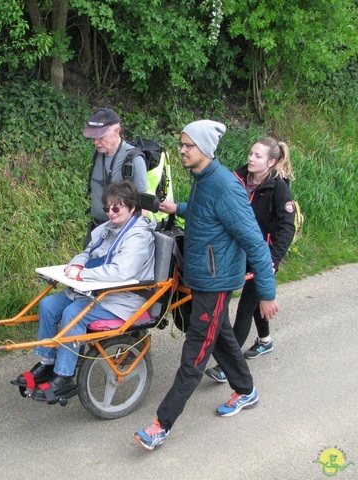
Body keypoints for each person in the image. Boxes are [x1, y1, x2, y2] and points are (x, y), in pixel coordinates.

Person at [133, 120, 279, 451]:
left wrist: (267, 294)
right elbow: (204, 213)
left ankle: (162, 424)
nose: (182, 150)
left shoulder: (225, 185)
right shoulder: (203, 180)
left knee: (196, 351)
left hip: (216, 281)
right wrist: (176, 208)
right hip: (201, 276)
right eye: (181, 144)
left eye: (188, 145)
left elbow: (255, 241)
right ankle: (246, 389)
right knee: (220, 335)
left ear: (205, 150)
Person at [15, 181, 156, 399]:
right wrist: (77, 264)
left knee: (73, 314)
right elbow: (88, 252)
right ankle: (47, 362)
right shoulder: (107, 229)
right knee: (49, 305)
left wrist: (82, 275)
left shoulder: (139, 236)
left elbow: (121, 272)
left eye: (116, 208)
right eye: (107, 208)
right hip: (97, 290)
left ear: (131, 207)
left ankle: (63, 376)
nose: (110, 213)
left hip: (123, 297)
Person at [205, 137, 295, 383]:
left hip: (262, 256)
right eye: (251, 153)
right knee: (254, 303)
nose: (251, 158)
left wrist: (272, 261)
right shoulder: (238, 178)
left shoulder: (279, 188)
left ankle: (228, 366)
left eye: (257, 156)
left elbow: (287, 228)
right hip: (237, 252)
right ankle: (264, 341)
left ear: (271, 162)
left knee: (245, 307)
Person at [83, 108, 149, 246]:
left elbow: (144, 204)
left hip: (121, 234)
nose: (96, 142)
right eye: (94, 137)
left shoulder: (133, 160)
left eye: (101, 137)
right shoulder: (97, 154)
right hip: (96, 230)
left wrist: (137, 241)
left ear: (117, 131)